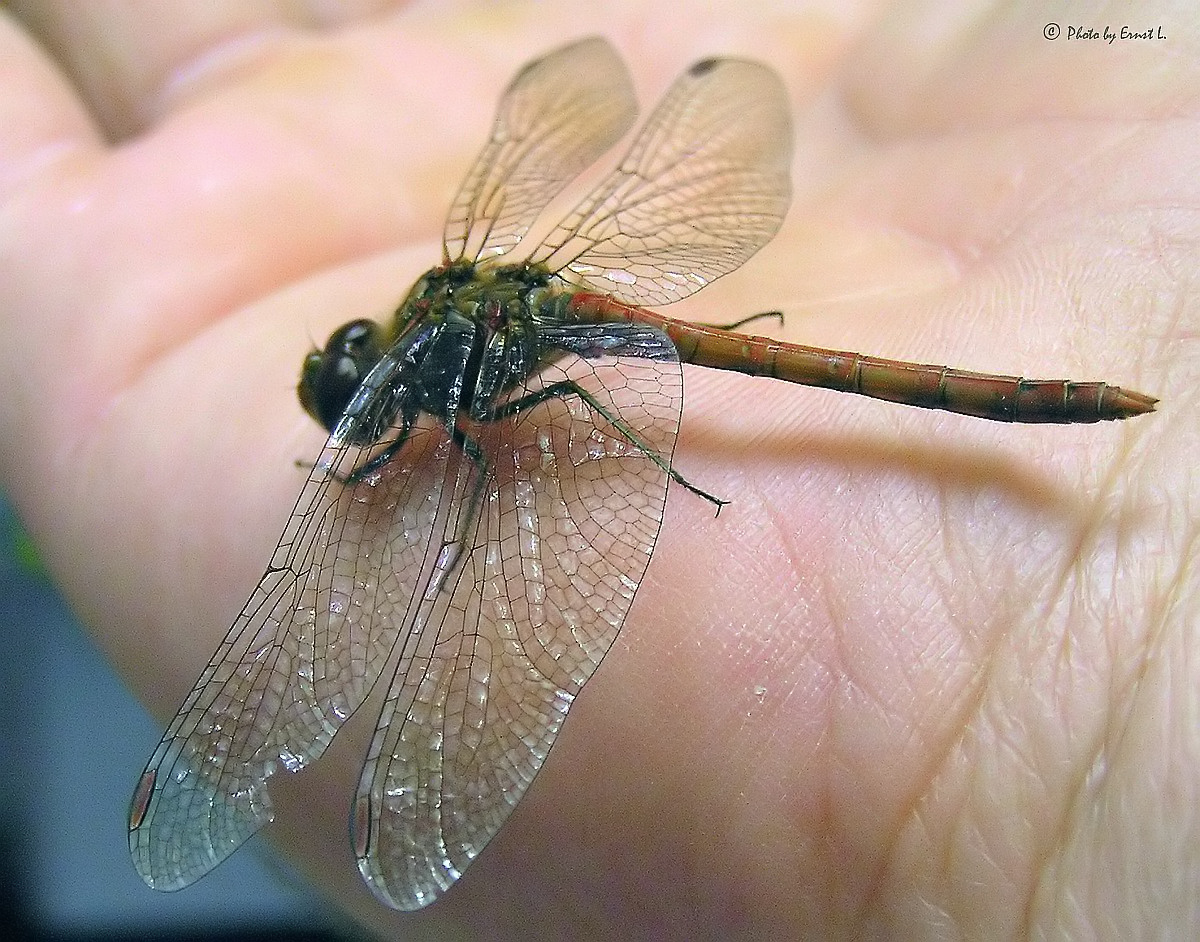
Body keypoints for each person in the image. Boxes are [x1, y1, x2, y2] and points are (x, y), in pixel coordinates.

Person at [0, 3, 1190, 938]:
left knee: (565, 390)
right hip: (596, 316)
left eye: (355, 396)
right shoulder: (454, 314)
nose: (359, 411)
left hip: (602, 340)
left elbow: (521, 414)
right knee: (571, 381)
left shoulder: (448, 399)